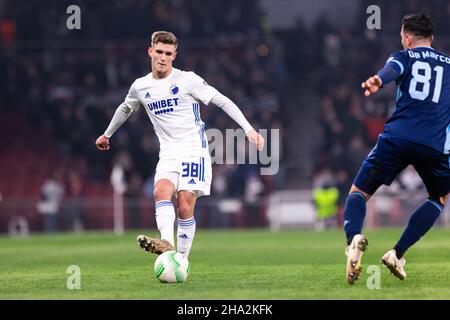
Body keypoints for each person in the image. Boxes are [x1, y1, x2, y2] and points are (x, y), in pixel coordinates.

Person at [95, 31, 264, 260]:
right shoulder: (140, 86)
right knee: (160, 192)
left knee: (184, 205)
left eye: (168, 53)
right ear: (150, 51)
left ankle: (181, 260)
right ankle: (166, 242)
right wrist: (107, 134)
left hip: (194, 150)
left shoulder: (187, 80)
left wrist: (248, 129)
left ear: (174, 55)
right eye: (159, 52)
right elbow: (126, 108)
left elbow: (221, 100)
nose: (162, 57)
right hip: (168, 153)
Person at [344, 14, 449, 284]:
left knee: (359, 192)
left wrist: (377, 81)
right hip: (434, 145)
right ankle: (397, 253)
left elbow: (391, 70)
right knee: (439, 198)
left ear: (407, 38)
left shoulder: (404, 56)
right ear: (432, 39)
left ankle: (353, 239)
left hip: (397, 139)